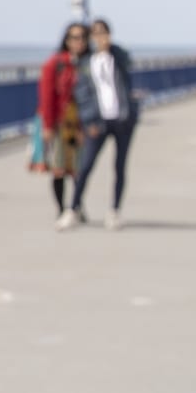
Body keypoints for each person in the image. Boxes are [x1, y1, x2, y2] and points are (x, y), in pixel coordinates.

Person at [57, 18, 139, 232]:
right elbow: (82, 94)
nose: (100, 37)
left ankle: (114, 211)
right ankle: (73, 208)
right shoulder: (86, 63)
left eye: (103, 33)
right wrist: (90, 120)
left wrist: (110, 47)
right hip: (98, 122)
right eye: (96, 33)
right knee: (85, 166)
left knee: (119, 166)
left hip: (122, 119)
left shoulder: (117, 57)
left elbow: (129, 60)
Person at [33, 22, 89, 220]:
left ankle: (76, 206)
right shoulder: (55, 63)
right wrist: (47, 125)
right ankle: (61, 208)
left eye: (82, 37)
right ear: (66, 40)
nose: (79, 41)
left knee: (78, 169)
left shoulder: (88, 64)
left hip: (80, 125)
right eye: (74, 37)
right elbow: (46, 96)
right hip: (59, 123)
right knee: (58, 168)